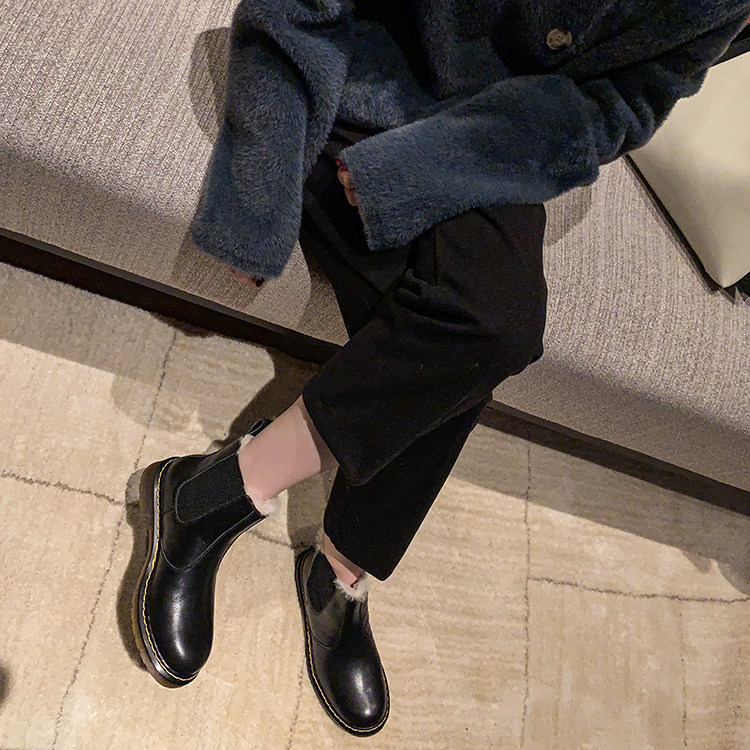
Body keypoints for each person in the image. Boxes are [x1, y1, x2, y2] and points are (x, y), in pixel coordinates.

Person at [132, 0, 750, 737]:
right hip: (363, 76)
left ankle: (230, 495)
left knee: (498, 324)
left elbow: (620, 103)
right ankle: (327, 565)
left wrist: (433, 168)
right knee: (473, 332)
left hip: (500, 137)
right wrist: (257, 184)